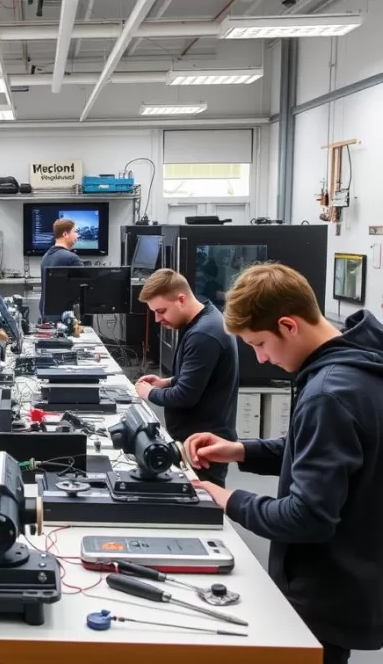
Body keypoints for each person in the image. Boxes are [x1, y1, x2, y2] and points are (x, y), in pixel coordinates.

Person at [184, 263, 383, 664]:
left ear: (289, 326)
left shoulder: (328, 394)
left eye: (259, 343)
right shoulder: (360, 364)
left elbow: (307, 517)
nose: (260, 358)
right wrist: (239, 450)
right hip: (359, 571)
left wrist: (228, 499)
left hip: (326, 588)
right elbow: (315, 452)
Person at [134, 269, 239, 487]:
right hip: (194, 442)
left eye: (161, 311)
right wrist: (168, 381)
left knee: (202, 512)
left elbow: (186, 395)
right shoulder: (203, 320)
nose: (157, 319)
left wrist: (150, 393)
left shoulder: (203, 334)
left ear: (181, 299)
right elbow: (200, 379)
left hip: (202, 448)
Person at [38, 217, 82, 322]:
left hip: (47, 314)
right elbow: (82, 291)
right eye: (75, 232)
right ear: (65, 234)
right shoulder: (72, 258)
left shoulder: (46, 256)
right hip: (65, 316)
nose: (78, 235)